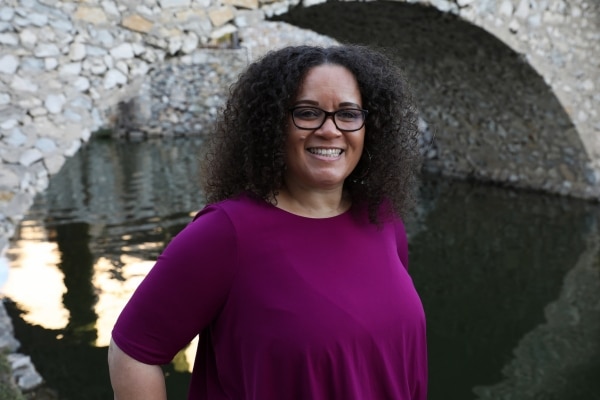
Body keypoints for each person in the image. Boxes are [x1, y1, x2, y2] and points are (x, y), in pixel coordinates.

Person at [108, 44, 427, 399]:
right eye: (307, 113)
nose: (330, 130)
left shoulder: (381, 218)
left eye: (348, 114)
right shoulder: (227, 233)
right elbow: (133, 353)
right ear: (272, 124)